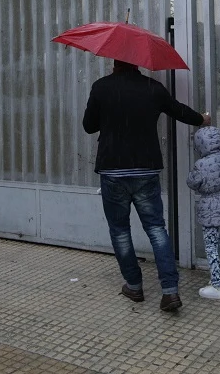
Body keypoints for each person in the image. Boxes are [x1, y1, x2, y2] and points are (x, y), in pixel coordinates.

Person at [83, 59, 210, 312]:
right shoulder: (153, 87)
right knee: (155, 229)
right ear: (138, 62)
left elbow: (89, 126)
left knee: (120, 231)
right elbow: (179, 111)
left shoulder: (101, 87)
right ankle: (170, 292)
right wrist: (202, 119)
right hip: (146, 168)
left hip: (113, 170)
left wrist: (109, 116)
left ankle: (134, 285)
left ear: (114, 63)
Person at [187, 126, 220, 299]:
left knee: (211, 246)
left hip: (210, 209)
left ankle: (217, 285)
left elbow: (193, 182)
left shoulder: (200, 164)